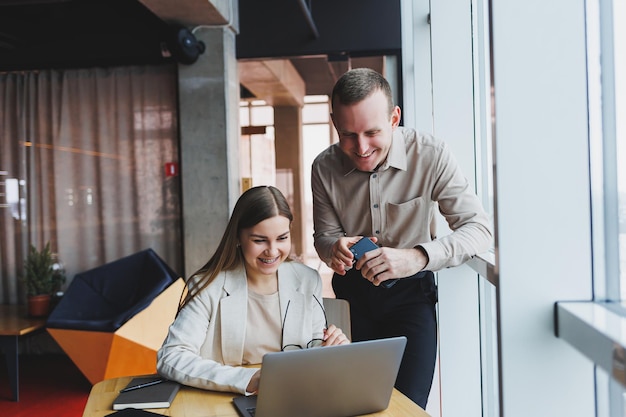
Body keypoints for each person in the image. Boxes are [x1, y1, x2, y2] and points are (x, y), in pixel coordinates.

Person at [311, 68, 493, 408]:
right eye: (348, 134)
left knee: (409, 408)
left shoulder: (431, 154)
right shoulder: (323, 167)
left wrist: (418, 257)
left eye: (372, 132)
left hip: (411, 298)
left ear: (394, 118)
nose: (361, 148)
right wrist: (331, 247)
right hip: (351, 301)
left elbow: (479, 229)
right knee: (352, 406)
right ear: (334, 121)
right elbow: (323, 236)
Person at [157, 185, 349, 395]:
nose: (273, 251)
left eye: (282, 238)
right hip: (224, 400)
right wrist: (250, 379)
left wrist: (332, 350)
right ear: (238, 237)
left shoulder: (307, 279)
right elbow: (171, 356)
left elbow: (313, 353)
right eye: (259, 240)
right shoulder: (209, 286)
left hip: (292, 397)